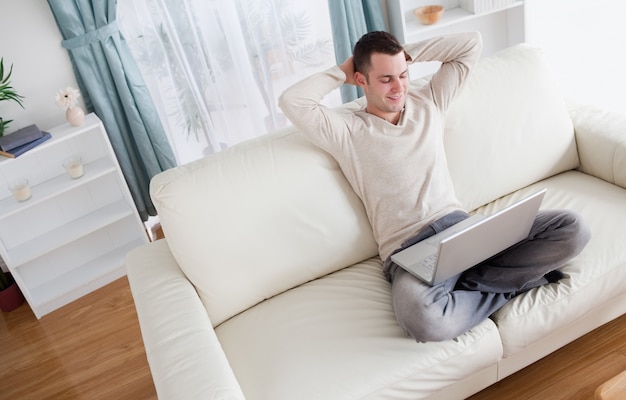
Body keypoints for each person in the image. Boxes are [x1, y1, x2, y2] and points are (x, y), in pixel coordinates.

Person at [278, 31, 591, 342]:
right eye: (385, 78)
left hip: (464, 231)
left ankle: (466, 290)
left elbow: (470, 43)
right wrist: (341, 71)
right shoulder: (346, 131)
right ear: (361, 80)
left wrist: (402, 52)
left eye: (403, 74)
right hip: (409, 251)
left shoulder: (430, 102)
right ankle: (518, 282)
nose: (399, 87)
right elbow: (292, 101)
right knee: (424, 321)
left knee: (573, 228)